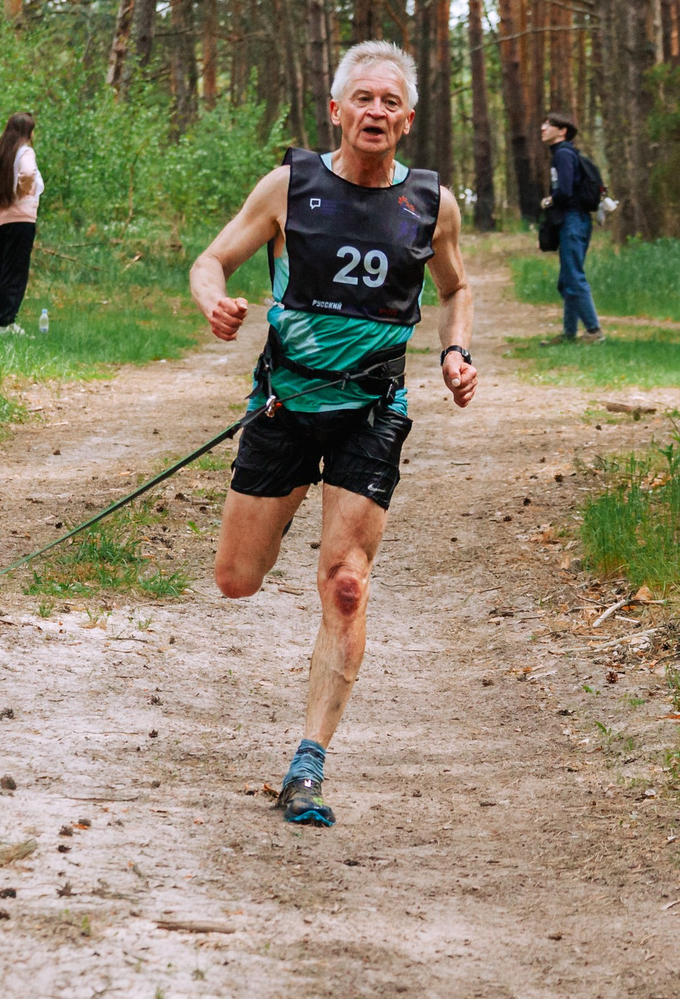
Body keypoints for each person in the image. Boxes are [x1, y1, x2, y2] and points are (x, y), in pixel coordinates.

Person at [188, 41, 478, 829]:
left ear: (408, 118)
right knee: (237, 579)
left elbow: (456, 289)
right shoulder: (291, 186)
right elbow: (212, 259)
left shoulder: (431, 204)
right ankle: (282, 511)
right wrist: (213, 301)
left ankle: (308, 763)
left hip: (372, 413)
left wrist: (454, 349)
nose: (376, 111)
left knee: (346, 581)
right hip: (285, 409)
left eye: (391, 101)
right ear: (337, 109)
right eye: (364, 98)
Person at [0, 111, 43, 335]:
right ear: (28, 132)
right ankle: (5, 323)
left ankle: (5, 320)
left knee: (4, 269)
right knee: (16, 271)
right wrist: (19, 190)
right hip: (21, 218)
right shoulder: (25, 152)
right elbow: (27, 173)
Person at [540, 113, 603, 343]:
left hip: (573, 221)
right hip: (575, 220)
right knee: (567, 279)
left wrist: (549, 201)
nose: (543, 127)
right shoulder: (564, 154)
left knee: (574, 277)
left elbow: (565, 191)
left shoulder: (564, 155)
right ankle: (569, 334)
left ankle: (594, 331)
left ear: (562, 131)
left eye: (549, 124)